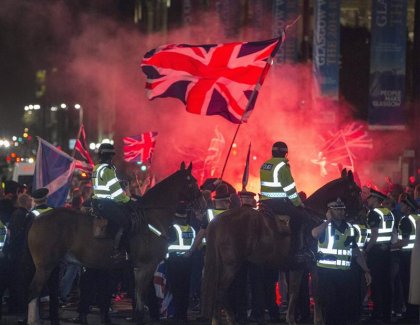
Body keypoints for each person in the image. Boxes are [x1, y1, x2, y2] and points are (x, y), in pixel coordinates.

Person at [312, 198, 371, 325]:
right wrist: (328, 220)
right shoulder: (324, 226)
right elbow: (315, 234)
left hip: (345, 275)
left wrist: (366, 270)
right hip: (327, 275)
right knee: (330, 308)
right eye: (336, 210)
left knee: (344, 308)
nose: (340, 212)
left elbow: (356, 251)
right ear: (330, 211)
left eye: (342, 210)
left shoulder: (349, 228)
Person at [260, 141, 312, 262]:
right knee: (301, 218)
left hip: (265, 203)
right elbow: (289, 189)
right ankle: (295, 252)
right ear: (285, 154)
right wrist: (299, 203)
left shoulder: (265, 164)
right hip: (279, 203)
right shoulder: (282, 166)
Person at [92, 143, 136, 260]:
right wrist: (129, 201)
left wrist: (120, 183)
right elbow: (117, 194)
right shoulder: (107, 170)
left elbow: (106, 183)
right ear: (110, 156)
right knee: (126, 222)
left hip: (98, 202)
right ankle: (118, 250)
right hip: (107, 204)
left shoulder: (97, 167)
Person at [364, 188, 395, 323]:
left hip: (376, 252)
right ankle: (386, 314)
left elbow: (374, 236)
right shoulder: (389, 213)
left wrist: (366, 250)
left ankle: (377, 314)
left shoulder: (373, 213)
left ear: (376, 199)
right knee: (386, 284)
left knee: (375, 284)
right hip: (387, 252)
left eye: (370, 198)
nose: (368, 200)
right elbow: (392, 234)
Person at [166, 201, 196, 323]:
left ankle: (178, 316)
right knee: (185, 289)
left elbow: (166, 243)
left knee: (176, 289)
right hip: (188, 262)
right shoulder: (192, 229)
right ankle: (183, 315)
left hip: (174, 262)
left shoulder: (173, 229)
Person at [392, 194, 420, 322]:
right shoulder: (417, 218)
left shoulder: (406, 220)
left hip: (406, 257)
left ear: (408, 207)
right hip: (416, 256)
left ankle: (410, 314)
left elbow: (405, 241)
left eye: (403, 204)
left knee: (407, 285)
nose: (400, 206)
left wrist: (390, 247)